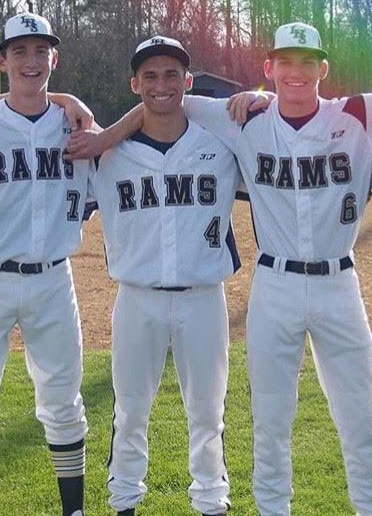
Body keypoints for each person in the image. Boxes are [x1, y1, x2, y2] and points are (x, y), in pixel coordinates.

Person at [68, 22, 372, 516]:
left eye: (306, 62)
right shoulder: (242, 118)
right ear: (269, 68)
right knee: (270, 423)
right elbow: (168, 102)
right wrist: (106, 138)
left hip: (339, 282)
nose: (295, 72)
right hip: (273, 282)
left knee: (360, 419)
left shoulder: (360, 113)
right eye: (285, 61)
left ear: (323, 68)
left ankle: (371, 508)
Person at [0, 12, 91, 516]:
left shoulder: (77, 127)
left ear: (55, 58)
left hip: (53, 280)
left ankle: (74, 511)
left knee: (65, 404)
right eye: (19, 51)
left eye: (40, 50)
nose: (31, 61)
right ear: (1, 60)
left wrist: (76, 105)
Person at [90, 36, 240, 516]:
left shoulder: (220, 144)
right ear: (134, 84)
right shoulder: (107, 154)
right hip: (137, 298)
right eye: (150, 75)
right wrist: (74, 100)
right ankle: (124, 502)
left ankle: (212, 502)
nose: (161, 84)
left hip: (203, 296)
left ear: (187, 83)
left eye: (171, 74)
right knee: (130, 411)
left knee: (208, 413)